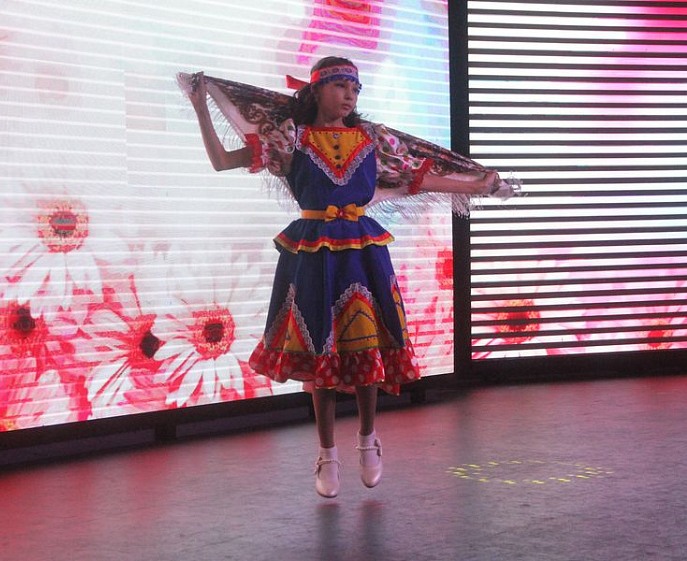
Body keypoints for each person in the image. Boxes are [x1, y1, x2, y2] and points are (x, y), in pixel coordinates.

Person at [182, 56, 510, 498]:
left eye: (355, 89)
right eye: (340, 86)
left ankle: (368, 438)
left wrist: (481, 185)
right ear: (316, 90)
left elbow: (420, 176)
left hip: (361, 249)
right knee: (321, 349)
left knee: (365, 345)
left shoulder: (372, 139)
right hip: (312, 251)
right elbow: (223, 161)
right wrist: (200, 106)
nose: (349, 95)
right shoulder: (291, 137)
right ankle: (326, 452)